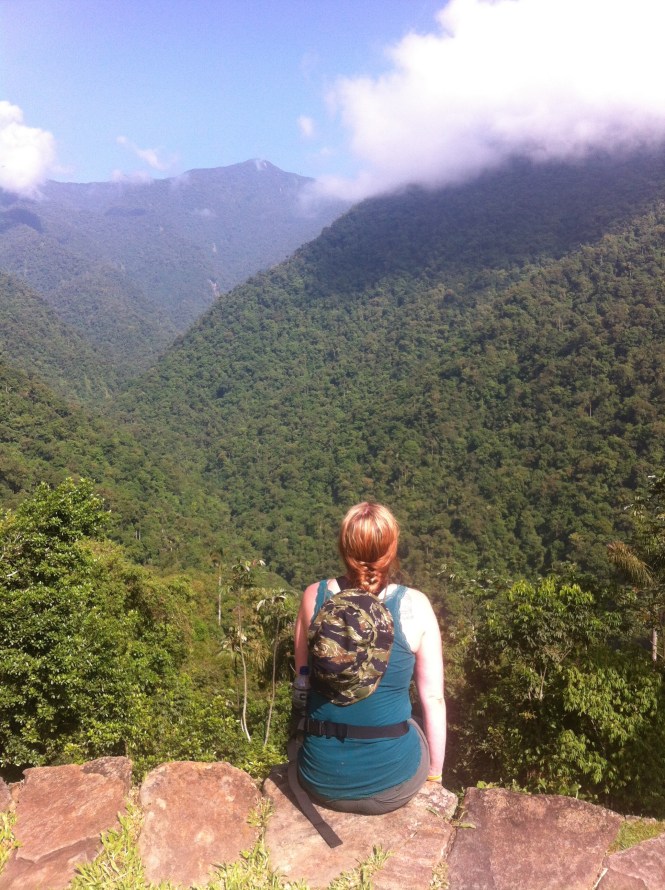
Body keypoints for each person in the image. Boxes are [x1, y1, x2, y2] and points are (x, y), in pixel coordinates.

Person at [293, 501, 446, 815]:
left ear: (343, 548)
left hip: (320, 779)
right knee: (414, 723)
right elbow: (434, 698)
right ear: (391, 551)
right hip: (393, 785)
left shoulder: (314, 596)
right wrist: (435, 777)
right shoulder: (414, 605)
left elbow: (302, 679)